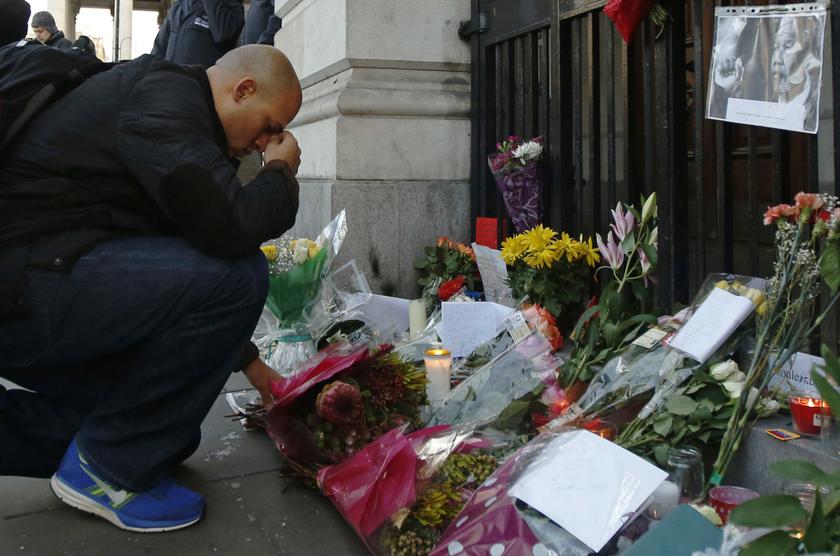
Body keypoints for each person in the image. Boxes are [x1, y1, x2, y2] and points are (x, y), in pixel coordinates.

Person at [0, 44, 302, 532]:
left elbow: (187, 256)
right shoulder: (164, 100)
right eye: (270, 124)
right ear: (243, 90)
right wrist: (281, 174)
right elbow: (229, 231)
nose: (268, 142)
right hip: (27, 290)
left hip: (40, 284)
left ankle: (98, 454)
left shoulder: (175, 112)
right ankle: (105, 472)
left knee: (164, 432)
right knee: (241, 274)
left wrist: (256, 370)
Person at [151, 0, 244, 67]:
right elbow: (159, 50)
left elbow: (224, 33)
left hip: (205, 88)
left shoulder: (229, 4)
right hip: (172, 85)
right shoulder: (178, 6)